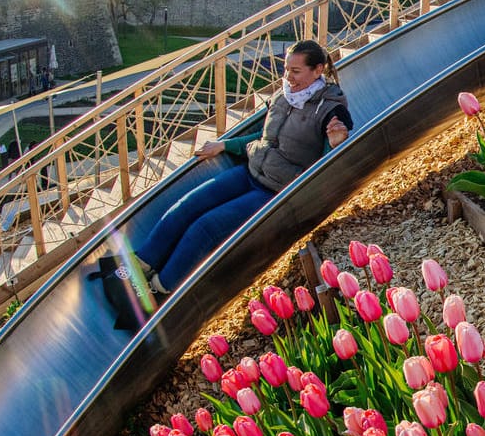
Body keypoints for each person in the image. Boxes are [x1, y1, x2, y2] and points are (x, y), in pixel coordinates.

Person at [132, 40, 352, 293]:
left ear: (318, 70)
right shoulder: (283, 95)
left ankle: (160, 287)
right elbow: (266, 138)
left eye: (296, 71)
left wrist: (336, 145)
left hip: (275, 191)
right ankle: (140, 264)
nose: (288, 77)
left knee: (207, 226)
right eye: (286, 69)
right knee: (189, 204)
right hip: (250, 171)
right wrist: (226, 145)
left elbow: (327, 170)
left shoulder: (331, 111)